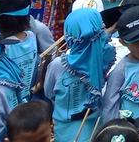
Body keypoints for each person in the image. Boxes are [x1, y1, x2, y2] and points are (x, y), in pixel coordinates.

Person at [43, 7, 113, 142]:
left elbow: (49, 93)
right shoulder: (104, 59)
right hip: (95, 128)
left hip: (64, 130)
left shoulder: (58, 65)